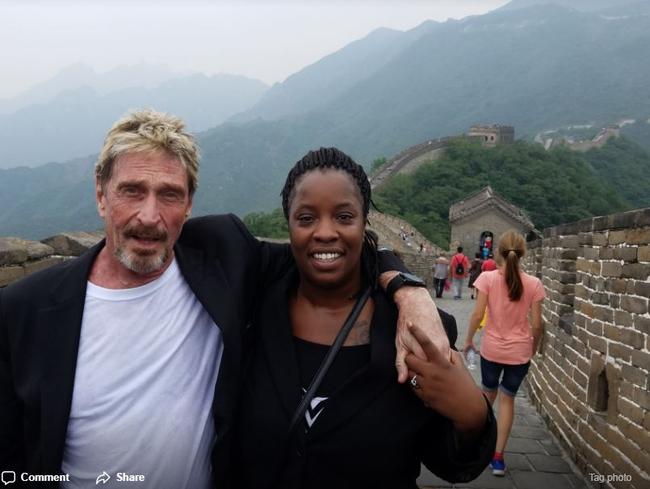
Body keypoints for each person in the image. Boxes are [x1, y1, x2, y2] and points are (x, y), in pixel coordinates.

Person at [0, 110, 447, 488]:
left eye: (169, 194)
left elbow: (327, 250)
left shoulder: (224, 259)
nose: (149, 216)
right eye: (132, 191)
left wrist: (407, 287)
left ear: (190, 203)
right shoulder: (25, 310)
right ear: (101, 194)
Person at [231, 148, 496, 488]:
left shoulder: (415, 334)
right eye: (306, 218)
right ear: (289, 225)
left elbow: (447, 463)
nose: (325, 232)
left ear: (364, 222)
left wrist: (472, 416)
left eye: (344, 217)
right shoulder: (251, 311)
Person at [463, 231, 545, 477]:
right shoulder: (534, 284)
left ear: (498, 251)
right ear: (523, 254)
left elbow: (478, 315)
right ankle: (497, 459)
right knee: (508, 400)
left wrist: (468, 340)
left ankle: (475, 446)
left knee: (487, 396)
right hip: (519, 353)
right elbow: (538, 325)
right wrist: (534, 347)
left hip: (492, 349)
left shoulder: (487, 278)